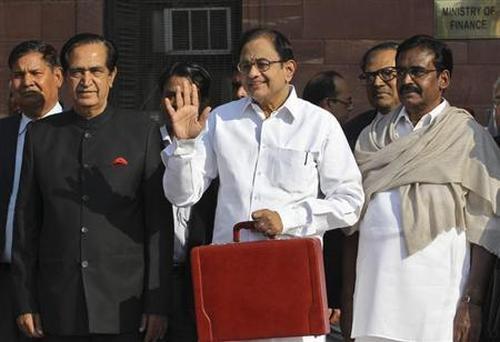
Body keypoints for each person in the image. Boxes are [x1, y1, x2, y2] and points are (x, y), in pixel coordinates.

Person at [162, 27, 364, 342]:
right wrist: (184, 146)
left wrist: (290, 218)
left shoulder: (319, 124)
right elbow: (182, 194)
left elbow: (350, 202)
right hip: (232, 276)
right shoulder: (221, 120)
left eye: (262, 64)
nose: (253, 74)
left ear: (289, 69)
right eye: (245, 66)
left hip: (292, 276)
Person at [11, 33, 173, 342]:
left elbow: (158, 225)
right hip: (58, 305)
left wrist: (157, 303)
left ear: (112, 76)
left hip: (125, 306)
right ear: (65, 77)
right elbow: (26, 224)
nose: (87, 80)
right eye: (78, 72)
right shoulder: (41, 135)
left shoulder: (142, 132)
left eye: (96, 71)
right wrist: (25, 300)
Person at [342, 34, 500, 342]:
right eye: (400, 72)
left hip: (438, 298)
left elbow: (486, 223)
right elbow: (352, 225)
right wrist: (348, 299)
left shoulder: (466, 136)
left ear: (443, 79)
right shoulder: (372, 136)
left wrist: (473, 302)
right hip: (376, 295)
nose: (406, 80)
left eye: (417, 72)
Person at [0, 40, 63, 342]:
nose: (27, 82)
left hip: (57, 284)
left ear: (58, 77)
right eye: (18, 75)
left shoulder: (79, 133)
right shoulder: (2, 134)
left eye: (36, 73)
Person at [158, 61, 218, 342]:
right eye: (171, 95)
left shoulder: (217, 145)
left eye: (187, 97)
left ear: (203, 101)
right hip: (156, 280)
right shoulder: (144, 142)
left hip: (205, 278)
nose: (178, 104)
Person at [343, 42, 400, 150]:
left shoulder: (428, 124)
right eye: (370, 76)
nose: (377, 83)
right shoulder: (353, 130)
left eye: (387, 73)